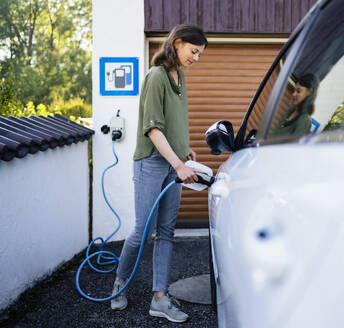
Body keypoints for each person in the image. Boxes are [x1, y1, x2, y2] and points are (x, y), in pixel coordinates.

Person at [110, 24, 208, 323]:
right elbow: (153, 128)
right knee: (143, 232)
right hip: (152, 163)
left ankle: (160, 298)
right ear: (177, 43)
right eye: (193, 51)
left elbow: (173, 122)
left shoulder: (181, 79)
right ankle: (118, 285)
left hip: (174, 162)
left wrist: (185, 151)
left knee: (167, 233)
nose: (196, 58)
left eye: (200, 54)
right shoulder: (156, 77)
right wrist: (178, 166)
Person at [270, 73, 319, 137]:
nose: (293, 94)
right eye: (294, 90)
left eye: (298, 91)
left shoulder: (304, 120)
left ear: (309, 92)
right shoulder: (292, 110)